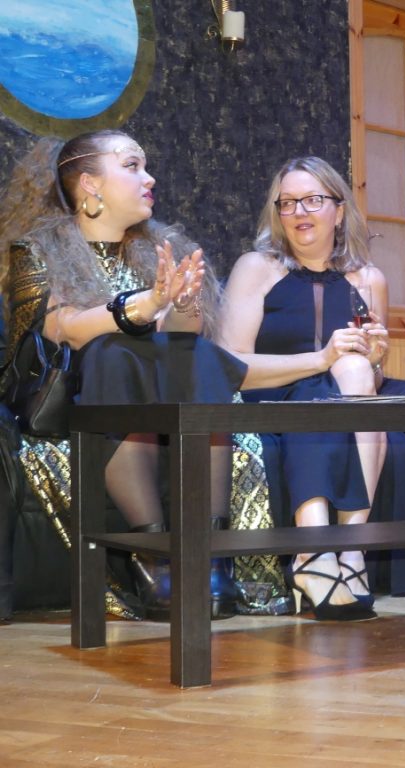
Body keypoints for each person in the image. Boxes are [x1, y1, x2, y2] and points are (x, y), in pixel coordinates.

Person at [0, 130, 261, 621]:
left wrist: (181, 304)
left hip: (162, 393)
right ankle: (152, 553)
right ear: (89, 184)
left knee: (201, 354)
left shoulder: (165, 247)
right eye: (132, 166)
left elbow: (182, 338)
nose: (150, 177)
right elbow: (65, 329)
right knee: (111, 351)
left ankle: (210, 552)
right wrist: (143, 304)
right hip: (83, 393)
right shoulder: (38, 249)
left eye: (145, 166)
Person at [220, 156, 405, 622]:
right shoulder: (257, 268)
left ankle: (349, 548)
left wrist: (374, 358)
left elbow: (368, 381)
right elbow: (232, 367)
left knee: (356, 371)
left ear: (339, 211)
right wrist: (320, 360)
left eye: (312, 200)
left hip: (340, 400)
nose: (300, 211)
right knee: (315, 394)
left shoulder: (369, 280)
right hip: (269, 395)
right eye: (288, 203)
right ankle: (316, 551)